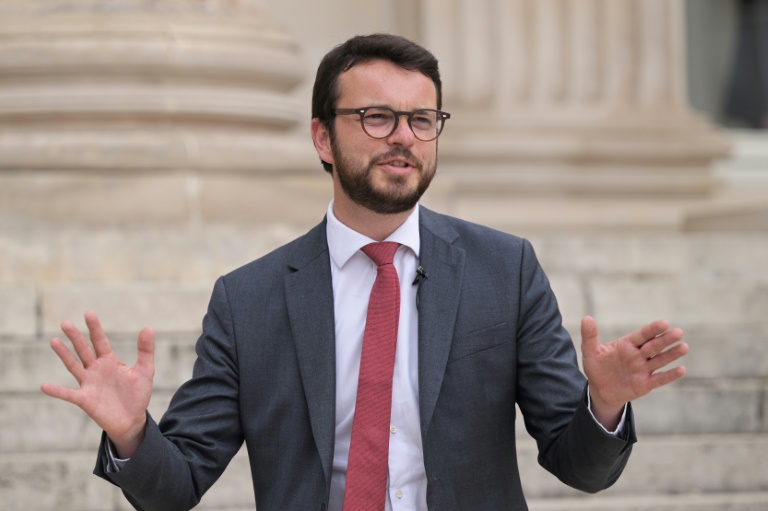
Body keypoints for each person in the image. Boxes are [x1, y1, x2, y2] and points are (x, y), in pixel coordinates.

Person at [41, 33, 689, 511]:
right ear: (323, 137)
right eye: (376, 117)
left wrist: (602, 405)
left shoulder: (505, 270)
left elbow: (581, 467)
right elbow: (176, 486)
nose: (402, 136)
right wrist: (131, 433)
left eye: (421, 119)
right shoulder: (250, 300)